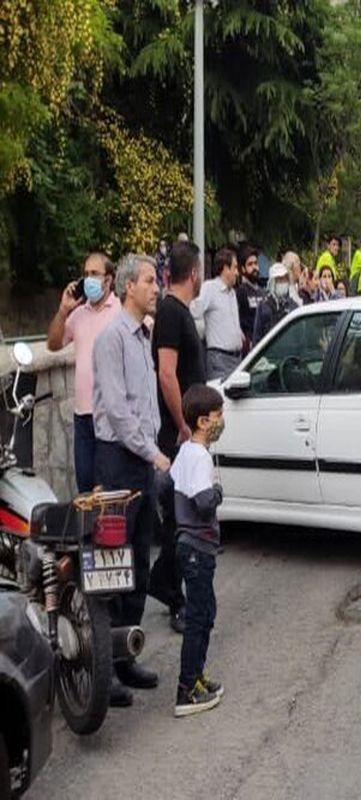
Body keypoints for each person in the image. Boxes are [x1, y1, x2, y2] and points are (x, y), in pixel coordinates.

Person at [92, 253, 170, 706]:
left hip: (141, 459)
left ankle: (127, 657)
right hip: (119, 461)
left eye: (155, 280)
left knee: (140, 559)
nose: (154, 287)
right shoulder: (111, 338)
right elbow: (118, 414)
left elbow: (146, 403)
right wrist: (153, 453)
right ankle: (106, 669)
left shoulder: (144, 335)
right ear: (127, 288)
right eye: (147, 280)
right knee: (112, 567)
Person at [150, 241, 206, 633]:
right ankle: (171, 593)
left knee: (183, 518)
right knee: (178, 520)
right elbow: (166, 373)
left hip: (187, 430)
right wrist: (183, 426)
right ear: (195, 274)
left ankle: (168, 584)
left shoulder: (179, 312)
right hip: (178, 432)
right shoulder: (171, 313)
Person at [171, 384, 227, 718]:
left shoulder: (185, 452)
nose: (223, 420)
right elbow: (204, 503)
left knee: (205, 614)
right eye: (219, 415)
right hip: (197, 548)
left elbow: (171, 485)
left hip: (190, 547)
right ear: (204, 421)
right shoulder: (201, 457)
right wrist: (218, 491)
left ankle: (197, 676)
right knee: (198, 618)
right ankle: (186, 689)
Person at [46, 252, 120, 493]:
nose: (88, 279)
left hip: (110, 415)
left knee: (107, 488)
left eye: (95, 274)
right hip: (83, 416)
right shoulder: (78, 314)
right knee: (85, 487)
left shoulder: (120, 312)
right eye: (86, 274)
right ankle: (87, 532)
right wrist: (63, 310)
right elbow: (53, 344)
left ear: (108, 280)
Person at [191, 247, 244, 380]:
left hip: (236, 359)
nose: (237, 273)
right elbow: (194, 310)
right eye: (234, 268)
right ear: (225, 269)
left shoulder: (232, 293)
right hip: (219, 360)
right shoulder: (210, 288)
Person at [254, 263, 299, 344]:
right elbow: (257, 336)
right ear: (272, 282)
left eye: (285, 279)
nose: (283, 282)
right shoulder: (263, 305)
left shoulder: (293, 306)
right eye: (279, 279)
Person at [235, 243, 263, 350]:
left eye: (256, 263)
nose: (255, 267)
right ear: (242, 269)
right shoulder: (241, 291)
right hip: (248, 348)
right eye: (250, 264)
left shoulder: (262, 291)